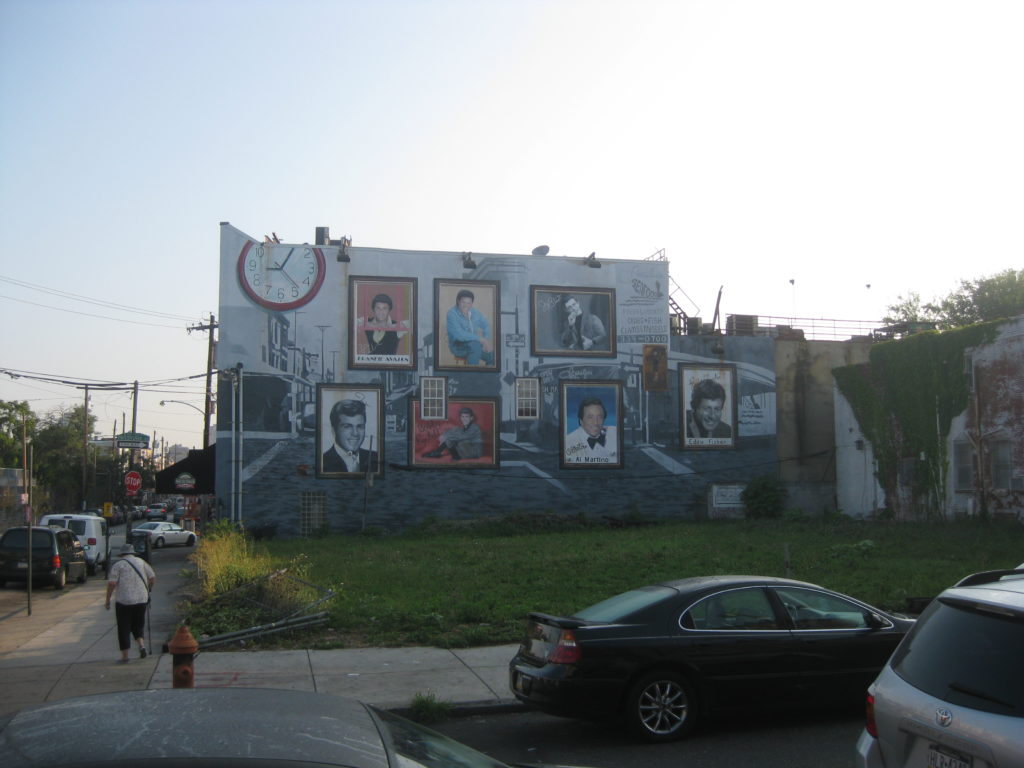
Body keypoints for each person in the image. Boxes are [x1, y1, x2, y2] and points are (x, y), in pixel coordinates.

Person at [105, 543, 156, 663]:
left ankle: (125, 656)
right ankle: (141, 645)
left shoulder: (118, 565)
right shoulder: (141, 562)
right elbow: (152, 577)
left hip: (124, 600)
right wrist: (149, 589)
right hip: (141, 599)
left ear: (122, 554)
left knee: (124, 627)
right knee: (138, 624)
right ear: (133, 553)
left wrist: (107, 600)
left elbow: (112, 583)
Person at [321, 399, 380, 473]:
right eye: (347, 427)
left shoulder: (376, 458)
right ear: (334, 430)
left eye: (360, 426)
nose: (355, 433)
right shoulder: (322, 462)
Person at [446, 289, 494, 366]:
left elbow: (486, 325)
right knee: (475, 346)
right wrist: (481, 339)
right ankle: (472, 372)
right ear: (458, 301)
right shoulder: (451, 314)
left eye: (469, 303)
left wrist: (486, 339)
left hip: (475, 345)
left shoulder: (475, 312)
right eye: (463, 302)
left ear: (472, 303)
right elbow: (460, 335)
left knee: (492, 356)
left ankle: (487, 373)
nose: (466, 305)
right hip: (459, 346)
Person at [564, 397, 618, 463]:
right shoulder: (568, 442)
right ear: (581, 421)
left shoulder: (615, 433)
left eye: (600, 417)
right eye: (590, 417)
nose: (596, 423)